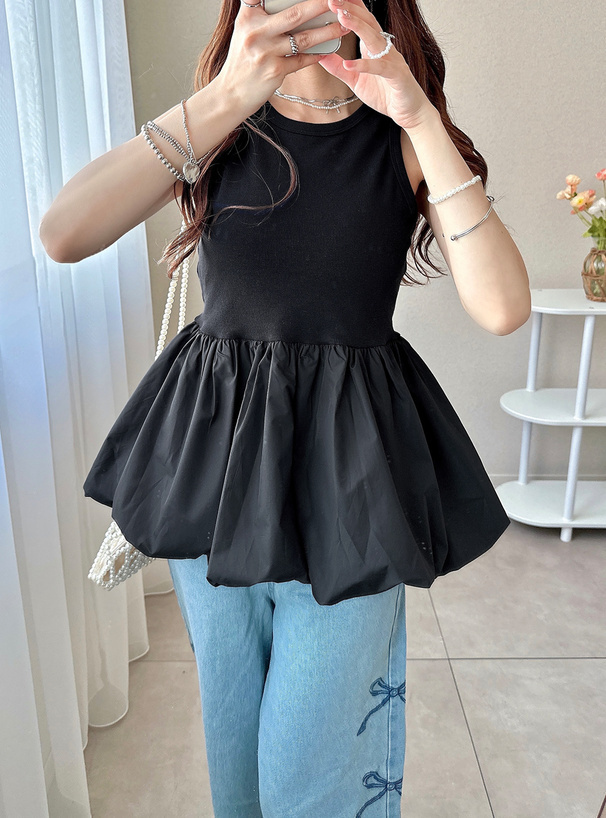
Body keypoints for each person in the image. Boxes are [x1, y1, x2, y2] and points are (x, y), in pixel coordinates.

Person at [40, 0, 530, 814]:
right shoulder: (219, 122)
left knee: (317, 775)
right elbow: (62, 234)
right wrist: (228, 95)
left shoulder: (400, 136)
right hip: (216, 478)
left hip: (351, 487)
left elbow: (504, 306)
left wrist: (418, 113)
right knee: (235, 761)